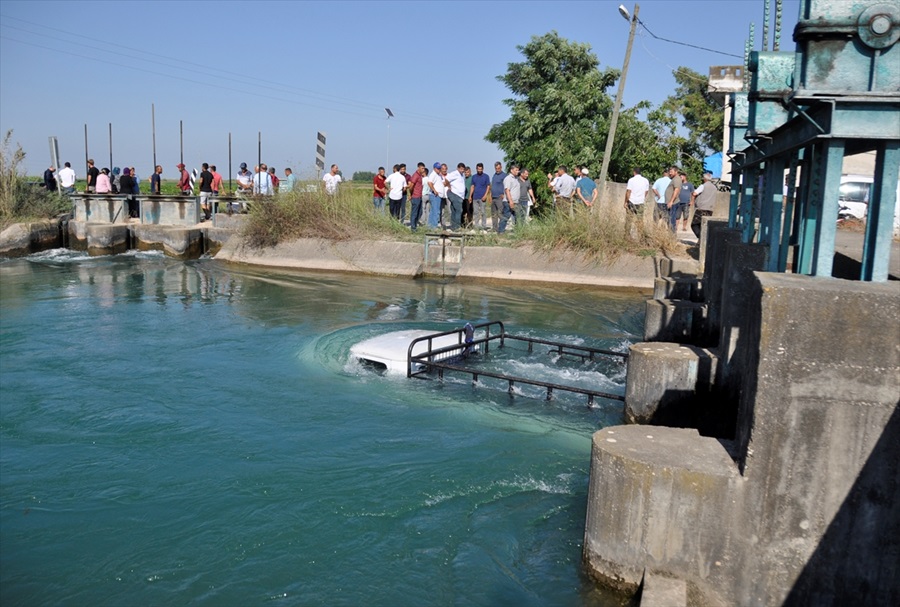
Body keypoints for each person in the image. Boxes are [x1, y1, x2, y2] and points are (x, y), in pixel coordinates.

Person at [690, 172, 717, 238]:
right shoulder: (714, 187)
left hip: (701, 208)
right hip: (710, 209)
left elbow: (694, 193)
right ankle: (702, 239)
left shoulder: (703, 186)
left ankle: (701, 238)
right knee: (704, 226)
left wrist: (692, 201)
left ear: (705, 179)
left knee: (694, 224)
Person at [445, 162, 467, 231]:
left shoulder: (461, 175)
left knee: (454, 210)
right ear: (458, 168)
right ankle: (457, 227)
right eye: (461, 169)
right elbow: (447, 179)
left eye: (463, 169)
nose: (462, 170)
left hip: (459, 196)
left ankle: (453, 226)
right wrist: (448, 186)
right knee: (458, 210)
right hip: (455, 194)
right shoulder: (455, 173)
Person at [499, 164, 520, 234]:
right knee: (506, 216)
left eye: (518, 170)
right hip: (509, 201)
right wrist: (510, 201)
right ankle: (501, 231)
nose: (518, 171)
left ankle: (518, 231)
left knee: (517, 217)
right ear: (511, 170)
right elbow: (507, 190)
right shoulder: (508, 179)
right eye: (516, 170)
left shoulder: (516, 179)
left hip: (516, 201)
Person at [469, 162, 491, 230]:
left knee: (483, 212)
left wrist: (485, 195)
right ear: (476, 169)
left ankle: (484, 226)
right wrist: (470, 196)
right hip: (475, 197)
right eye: (478, 169)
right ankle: (476, 226)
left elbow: (488, 186)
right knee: (475, 212)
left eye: (480, 169)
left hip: (482, 197)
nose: (479, 170)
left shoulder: (486, 176)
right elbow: (472, 186)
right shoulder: (474, 177)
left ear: (483, 169)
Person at [664, 166, 684, 231]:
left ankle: (672, 236)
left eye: (671, 172)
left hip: (673, 203)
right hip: (671, 203)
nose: (670, 173)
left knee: (671, 220)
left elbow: (676, 190)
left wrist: (671, 201)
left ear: (676, 171)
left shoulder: (677, 179)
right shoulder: (674, 179)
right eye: (669, 172)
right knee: (669, 219)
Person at [427, 162, 446, 228]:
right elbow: (429, 183)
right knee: (436, 211)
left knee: (433, 211)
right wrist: (434, 190)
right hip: (435, 195)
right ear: (434, 168)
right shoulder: (433, 174)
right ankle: (433, 226)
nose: (439, 170)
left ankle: (431, 226)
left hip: (439, 196)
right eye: (438, 169)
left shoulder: (439, 175)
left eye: (439, 168)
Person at [490, 161, 507, 232]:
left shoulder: (504, 175)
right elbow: (493, 186)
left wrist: (504, 194)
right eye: (496, 168)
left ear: (501, 167)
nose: (497, 169)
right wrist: (490, 196)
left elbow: (506, 186)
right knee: (494, 214)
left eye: (499, 168)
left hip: (500, 197)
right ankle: (495, 228)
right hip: (493, 197)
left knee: (500, 213)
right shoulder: (494, 175)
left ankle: (501, 228)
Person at [408, 162, 425, 231]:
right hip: (415, 196)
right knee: (414, 212)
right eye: (422, 168)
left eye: (424, 168)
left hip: (420, 196)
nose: (423, 169)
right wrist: (411, 194)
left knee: (420, 212)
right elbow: (411, 186)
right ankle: (413, 227)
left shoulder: (420, 176)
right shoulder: (415, 175)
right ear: (418, 168)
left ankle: (415, 224)